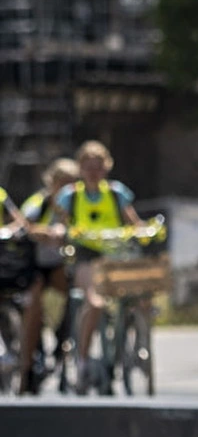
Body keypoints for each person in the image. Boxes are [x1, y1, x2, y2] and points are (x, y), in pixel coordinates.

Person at [50, 142, 145, 390]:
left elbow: (133, 222)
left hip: (116, 257)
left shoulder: (116, 193)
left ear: (107, 168)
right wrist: (61, 232)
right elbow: (60, 224)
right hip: (85, 257)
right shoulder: (71, 196)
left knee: (144, 293)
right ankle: (81, 360)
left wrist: (145, 231)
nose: (93, 172)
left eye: (98, 167)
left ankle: (134, 343)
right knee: (94, 301)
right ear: (80, 168)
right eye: (88, 167)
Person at [16, 158, 79, 393]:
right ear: (51, 182)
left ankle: (63, 336)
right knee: (33, 308)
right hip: (35, 264)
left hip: (62, 264)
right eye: (61, 182)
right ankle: (27, 367)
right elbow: (24, 225)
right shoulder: (39, 202)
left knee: (71, 300)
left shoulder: (74, 203)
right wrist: (46, 233)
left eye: (71, 183)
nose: (66, 188)